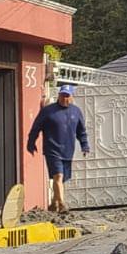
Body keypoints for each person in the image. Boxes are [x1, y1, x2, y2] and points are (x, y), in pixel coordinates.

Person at [27, 85, 90, 213]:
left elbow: (81, 131)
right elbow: (36, 127)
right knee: (58, 176)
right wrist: (31, 142)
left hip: (68, 150)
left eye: (67, 96)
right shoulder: (48, 111)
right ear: (59, 95)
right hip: (52, 149)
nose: (64, 98)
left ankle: (53, 203)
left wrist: (85, 145)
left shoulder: (76, 112)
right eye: (62, 95)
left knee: (63, 178)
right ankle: (61, 204)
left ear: (72, 97)